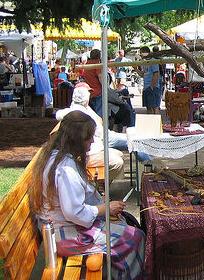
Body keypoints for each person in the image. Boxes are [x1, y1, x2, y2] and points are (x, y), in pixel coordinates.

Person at [31, 111, 145, 279]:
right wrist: (104, 208)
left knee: (127, 222)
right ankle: (127, 275)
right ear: (76, 140)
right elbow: (74, 212)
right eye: (89, 138)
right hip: (66, 236)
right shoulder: (65, 169)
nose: (92, 141)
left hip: (63, 228)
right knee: (136, 236)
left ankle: (118, 272)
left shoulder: (57, 156)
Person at [56, 82, 151, 167]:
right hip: (101, 140)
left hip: (104, 136)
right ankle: (149, 165)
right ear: (84, 96)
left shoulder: (85, 108)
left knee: (133, 136)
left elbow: (100, 120)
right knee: (133, 140)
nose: (91, 94)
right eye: (88, 93)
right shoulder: (77, 111)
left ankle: (148, 164)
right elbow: (60, 114)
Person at [140, 46, 162, 114]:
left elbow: (156, 74)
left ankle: (156, 122)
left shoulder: (153, 61)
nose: (140, 54)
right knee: (149, 107)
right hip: (146, 87)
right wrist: (135, 69)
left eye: (141, 53)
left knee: (155, 107)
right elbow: (142, 74)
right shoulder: (144, 62)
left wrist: (152, 86)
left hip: (152, 87)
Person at [83, 49, 103, 116]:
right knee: (98, 114)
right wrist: (106, 87)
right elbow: (100, 77)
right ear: (99, 56)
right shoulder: (97, 64)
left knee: (91, 114)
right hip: (98, 92)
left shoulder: (87, 64)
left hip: (89, 92)